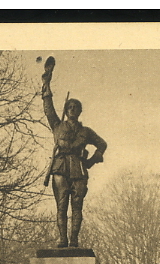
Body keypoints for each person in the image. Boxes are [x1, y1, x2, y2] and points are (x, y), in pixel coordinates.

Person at [42, 57, 107, 248]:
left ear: (80, 111)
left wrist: (92, 161)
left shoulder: (86, 132)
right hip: (60, 168)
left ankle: (74, 241)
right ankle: (62, 240)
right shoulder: (57, 125)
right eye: (69, 107)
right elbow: (48, 108)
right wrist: (46, 83)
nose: (72, 109)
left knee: (77, 207)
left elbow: (102, 144)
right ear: (66, 110)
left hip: (79, 169)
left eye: (75, 107)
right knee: (61, 207)